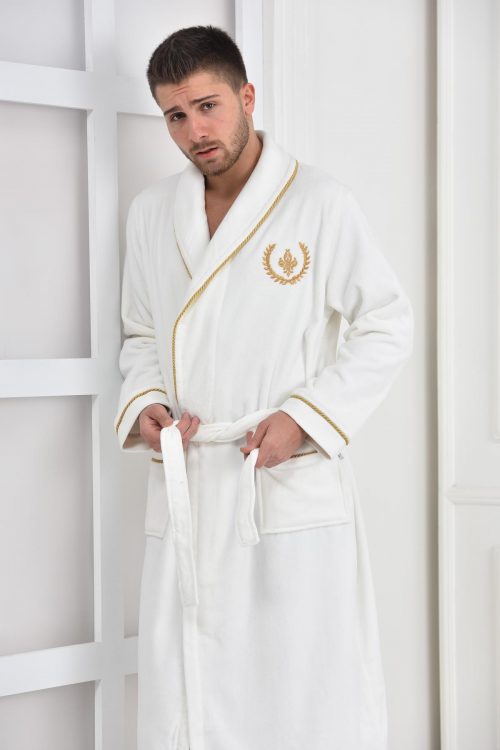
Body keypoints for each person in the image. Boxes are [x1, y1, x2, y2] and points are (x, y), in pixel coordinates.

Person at [114, 24, 413, 750]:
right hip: (191, 479)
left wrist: (304, 419)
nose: (195, 131)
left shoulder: (319, 202)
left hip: (277, 477)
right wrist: (146, 404)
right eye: (175, 115)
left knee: (299, 685)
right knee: (189, 686)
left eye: (208, 106)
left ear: (247, 97)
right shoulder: (153, 213)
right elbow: (141, 333)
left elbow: (387, 324)